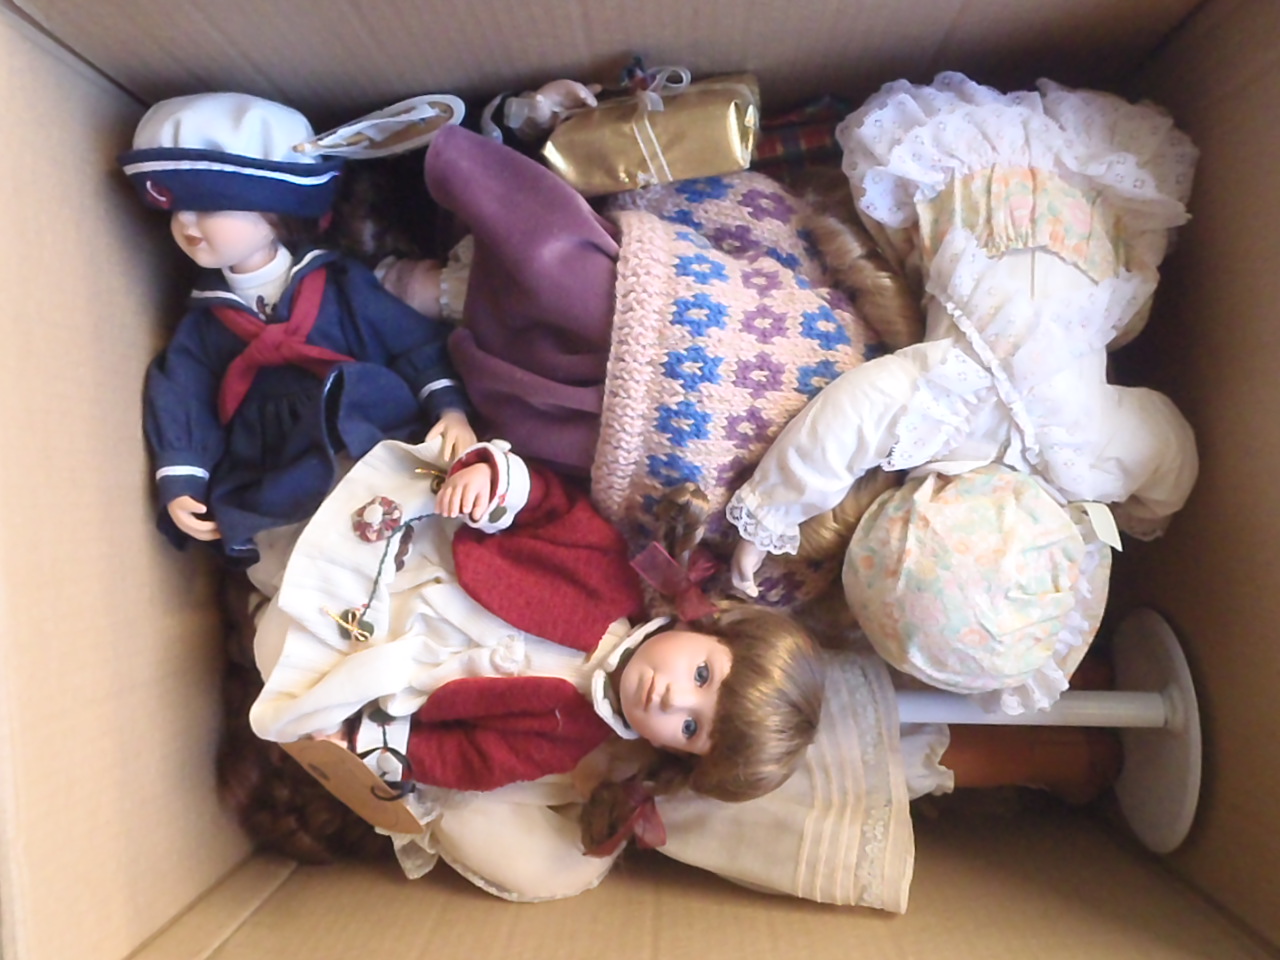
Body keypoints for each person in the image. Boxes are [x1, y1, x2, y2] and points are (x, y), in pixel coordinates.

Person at [726, 73, 1200, 713]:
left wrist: (1149, 507)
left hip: (1090, 196)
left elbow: (1169, 444)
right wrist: (770, 512)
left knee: (1119, 321)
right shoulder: (952, 411)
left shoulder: (1089, 452)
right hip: (978, 179)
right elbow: (845, 420)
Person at [248, 433, 826, 894]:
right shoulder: (609, 577)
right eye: (701, 675)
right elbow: (552, 508)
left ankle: (259, 609)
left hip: (389, 662)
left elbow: (472, 756)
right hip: (415, 553)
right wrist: (493, 486)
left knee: (280, 656)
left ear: (671, 750)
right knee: (311, 505)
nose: (673, 699)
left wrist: (373, 744)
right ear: (706, 627)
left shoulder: (565, 739)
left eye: (691, 727)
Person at [119, 92, 475, 565]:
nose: (186, 224)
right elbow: (182, 393)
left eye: (210, 206)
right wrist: (183, 475)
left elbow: (410, 341)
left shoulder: (341, 286)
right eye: (176, 209)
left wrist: (450, 409)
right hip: (271, 464)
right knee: (299, 556)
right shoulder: (205, 323)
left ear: (275, 210)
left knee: (415, 531)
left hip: (367, 429)